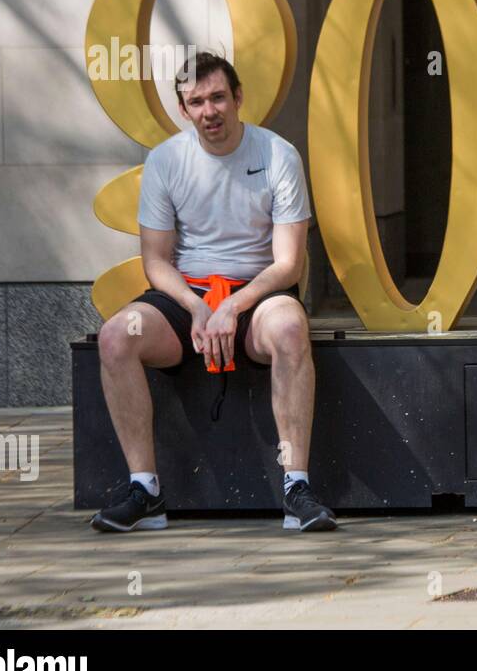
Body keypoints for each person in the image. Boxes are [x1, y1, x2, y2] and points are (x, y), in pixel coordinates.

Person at [91, 52, 336, 532]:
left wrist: (234, 305)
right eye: (197, 101)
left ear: (239, 97)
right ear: (184, 110)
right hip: (190, 297)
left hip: (258, 293)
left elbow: (289, 262)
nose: (210, 111)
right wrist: (196, 305)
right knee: (116, 336)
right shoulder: (166, 160)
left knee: (289, 327)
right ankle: (145, 489)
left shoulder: (278, 155)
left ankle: (297, 488)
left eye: (219, 97)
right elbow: (156, 261)